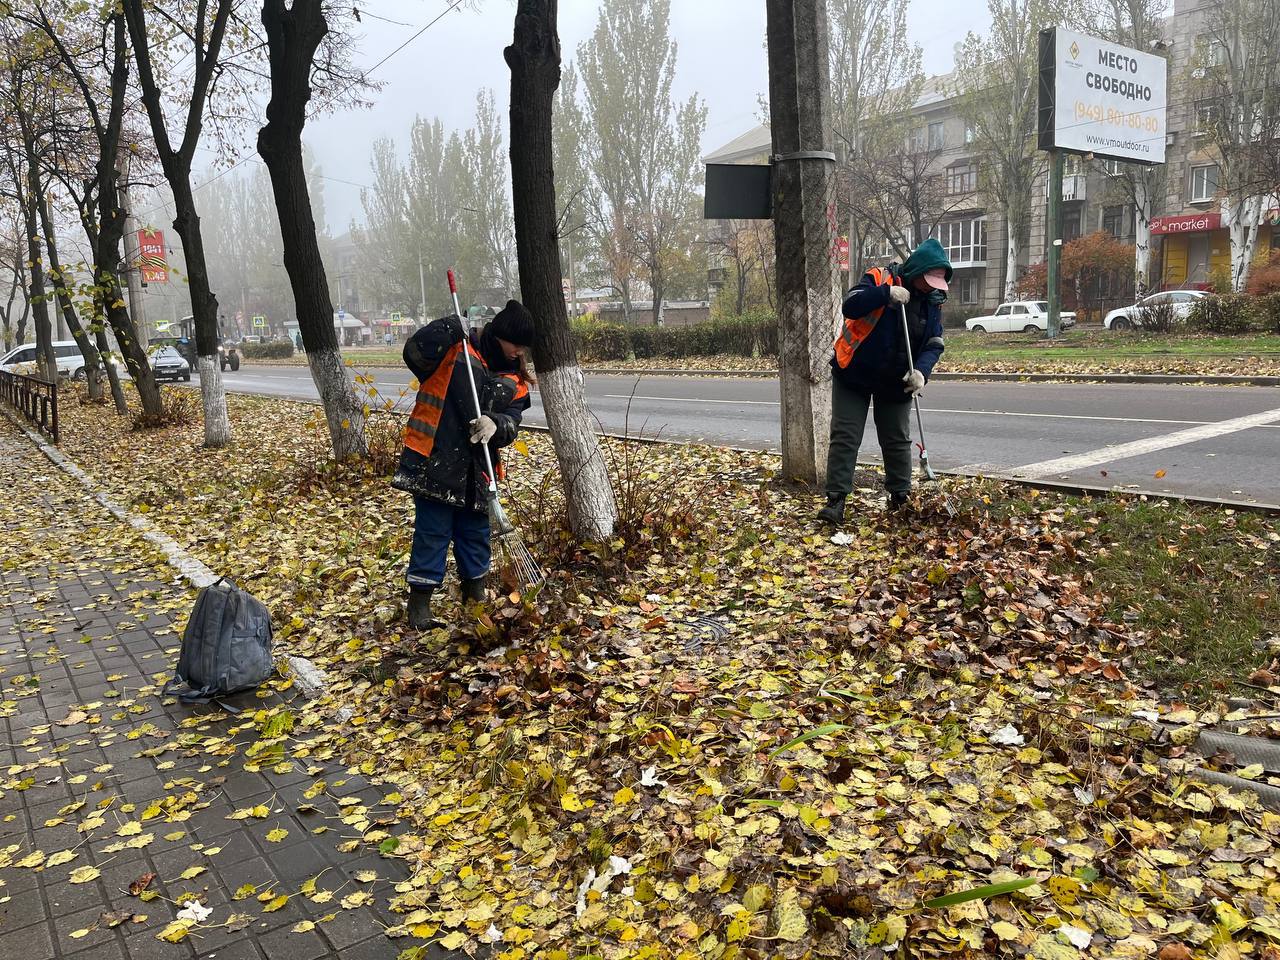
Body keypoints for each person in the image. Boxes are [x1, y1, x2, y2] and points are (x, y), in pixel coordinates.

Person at [391, 300, 535, 628]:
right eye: (517, 344)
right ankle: (419, 609)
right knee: (433, 534)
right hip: (436, 461)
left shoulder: (514, 379)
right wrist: (446, 326)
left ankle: (475, 604)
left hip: (478, 471)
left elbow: (513, 420)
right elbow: (414, 353)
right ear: (500, 335)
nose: (520, 351)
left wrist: (496, 424)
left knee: (475, 536)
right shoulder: (455, 350)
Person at [817, 237, 951, 525]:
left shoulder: (932, 303)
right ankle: (836, 500)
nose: (930, 288)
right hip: (854, 373)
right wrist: (885, 293)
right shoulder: (879, 277)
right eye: (928, 281)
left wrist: (921, 373)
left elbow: (934, 343)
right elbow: (850, 306)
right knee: (845, 436)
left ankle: (899, 498)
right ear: (917, 272)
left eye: (936, 284)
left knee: (897, 440)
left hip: (896, 379)